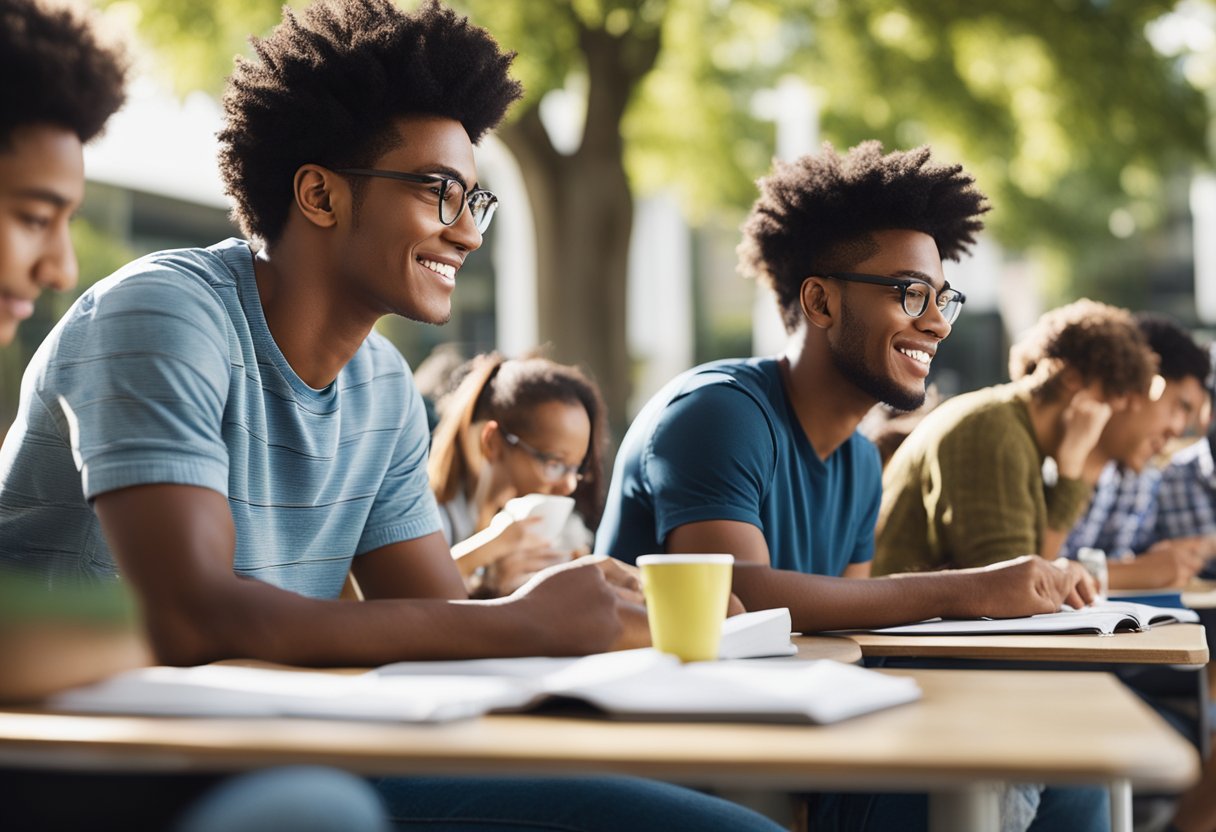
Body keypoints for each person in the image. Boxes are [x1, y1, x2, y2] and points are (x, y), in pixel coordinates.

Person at [0, 1, 787, 829]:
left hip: (298, 750)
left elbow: (435, 628)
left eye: (474, 204)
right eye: (441, 193)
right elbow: (198, 615)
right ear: (319, 194)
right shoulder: (164, 313)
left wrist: (588, 606)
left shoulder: (381, 387)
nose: (468, 235)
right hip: (104, 767)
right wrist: (522, 623)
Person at [597, 141, 1105, 831]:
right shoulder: (719, 413)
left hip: (794, 743)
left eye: (942, 298)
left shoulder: (861, 463)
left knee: (1074, 759)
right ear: (821, 300)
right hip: (685, 759)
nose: (934, 322)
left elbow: (853, 625)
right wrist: (968, 587)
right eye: (909, 293)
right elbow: (737, 592)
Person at [0, 2, 396, 830]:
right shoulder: (160, 309)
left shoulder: (384, 386)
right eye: (32, 216)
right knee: (316, 812)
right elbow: (180, 619)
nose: (60, 266)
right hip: (79, 771)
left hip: (210, 750)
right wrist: (199, 615)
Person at [873, 299, 1158, 575]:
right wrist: (1071, 471)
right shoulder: (993, 432)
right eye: (1113, 393)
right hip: (891, 621)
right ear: (1071, 377)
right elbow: (1016, 591)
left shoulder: (1014, 429)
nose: (1115, 409)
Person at [428, 353, 608, 596]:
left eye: (576, 469)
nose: (568, 486)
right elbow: (398, 603)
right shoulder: (426, 519)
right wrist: (483, 580)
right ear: (492, 442)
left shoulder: (559, 529)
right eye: (555, 463)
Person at [1055, 313, 1211, 588]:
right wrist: (1134, 572)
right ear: (1141, 381)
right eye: (1180, 406)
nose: (1177, 430)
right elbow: (1027, 575)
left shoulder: (1134, 479)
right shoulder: (1048, 454)